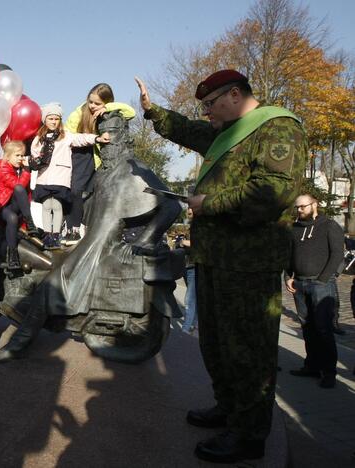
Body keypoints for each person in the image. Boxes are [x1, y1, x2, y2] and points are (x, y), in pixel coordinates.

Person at [135, 71, 308, 463]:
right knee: (217, 345)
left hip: (249, 265)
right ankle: (230, 409)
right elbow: (187, 131)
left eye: (211, 103)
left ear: (235, 94)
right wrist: (151, 111)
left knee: (247, 350)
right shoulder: (228, 131)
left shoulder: (277, 127)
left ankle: (249, 434)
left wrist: (207, 203)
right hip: (215, 260)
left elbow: (274, 190)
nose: (207, 112)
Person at [63, 83, 135, 244]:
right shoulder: (79, 112)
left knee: (98, 193)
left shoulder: (109, 111)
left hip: (99, 156)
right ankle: (72, 228)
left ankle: (96, 228)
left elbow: (132, 112)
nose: (93, 106)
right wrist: (90, 138)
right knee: (75, 190)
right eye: (91, 102)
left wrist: (109, 108)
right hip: (80, 153)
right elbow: (68, 135)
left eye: (97, 103)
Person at [31, 103, 109, 249]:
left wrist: (97, 138)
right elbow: (35, 155)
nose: (54, 121)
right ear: (45, 120)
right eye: (50, 118)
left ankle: (55, 235)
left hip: (61, 178)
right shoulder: (39, 138)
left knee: (57, 205)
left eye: (56, 119)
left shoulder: (65, 136)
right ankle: (48, 235)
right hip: (45, 177)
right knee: (47, 206)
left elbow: (81, 138)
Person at [285, 194, 343, 388]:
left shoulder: (329, 225)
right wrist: (288, 277)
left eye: (303, 206)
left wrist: (323, 279)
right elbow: (289, 255)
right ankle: (312, 365)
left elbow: (337, 254)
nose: (300, 210)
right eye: (298, 207)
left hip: (321, 285)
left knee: (323, 329)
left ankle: (328, 372)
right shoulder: (294, 229)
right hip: (299, 285)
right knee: (307, 328)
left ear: (315, 205)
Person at [0, 140, 36, 272]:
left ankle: (29, 223)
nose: (21, 158)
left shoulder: (19, 169)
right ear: (8, 156)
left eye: (22, 155)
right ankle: (12, 255)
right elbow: (18, 186)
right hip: (2, 205)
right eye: (17, 155)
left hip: (16, 205)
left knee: (19, 195)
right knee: (12, 217)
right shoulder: (3, 168)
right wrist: (27, 170)